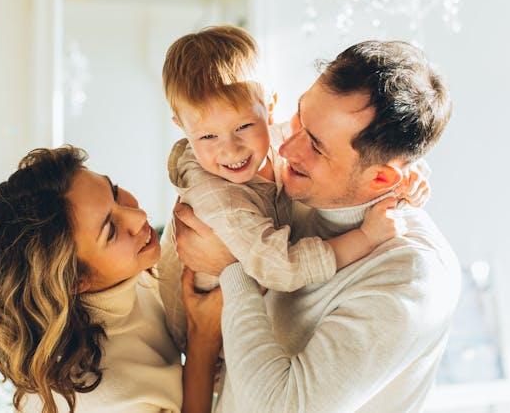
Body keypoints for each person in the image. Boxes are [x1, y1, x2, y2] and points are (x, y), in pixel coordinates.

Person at [174, 40, 461, 412]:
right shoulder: (298, 187)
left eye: (317, 145)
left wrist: (230, 267)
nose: (287, 148)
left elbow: (278, 407)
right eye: (299, 117)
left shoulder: (410, 278)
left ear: (380, 179)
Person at [158, 26, 424, 351]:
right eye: (207, 137)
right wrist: (366, 238)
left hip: (251, 308)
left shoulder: (277, 137)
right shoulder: (216, 195)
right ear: (182, 128)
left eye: (243, 127)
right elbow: (279, 268)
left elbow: (361, 149)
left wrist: (410, 170)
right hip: (204, 334)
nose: (230, 150)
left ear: (269, 107)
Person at [0, 146, 223, 413]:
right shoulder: (103, 399)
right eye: (111, 231)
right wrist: (202, 343)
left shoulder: (126, 277)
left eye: (114, 192)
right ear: (75, 281)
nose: (137, 217)